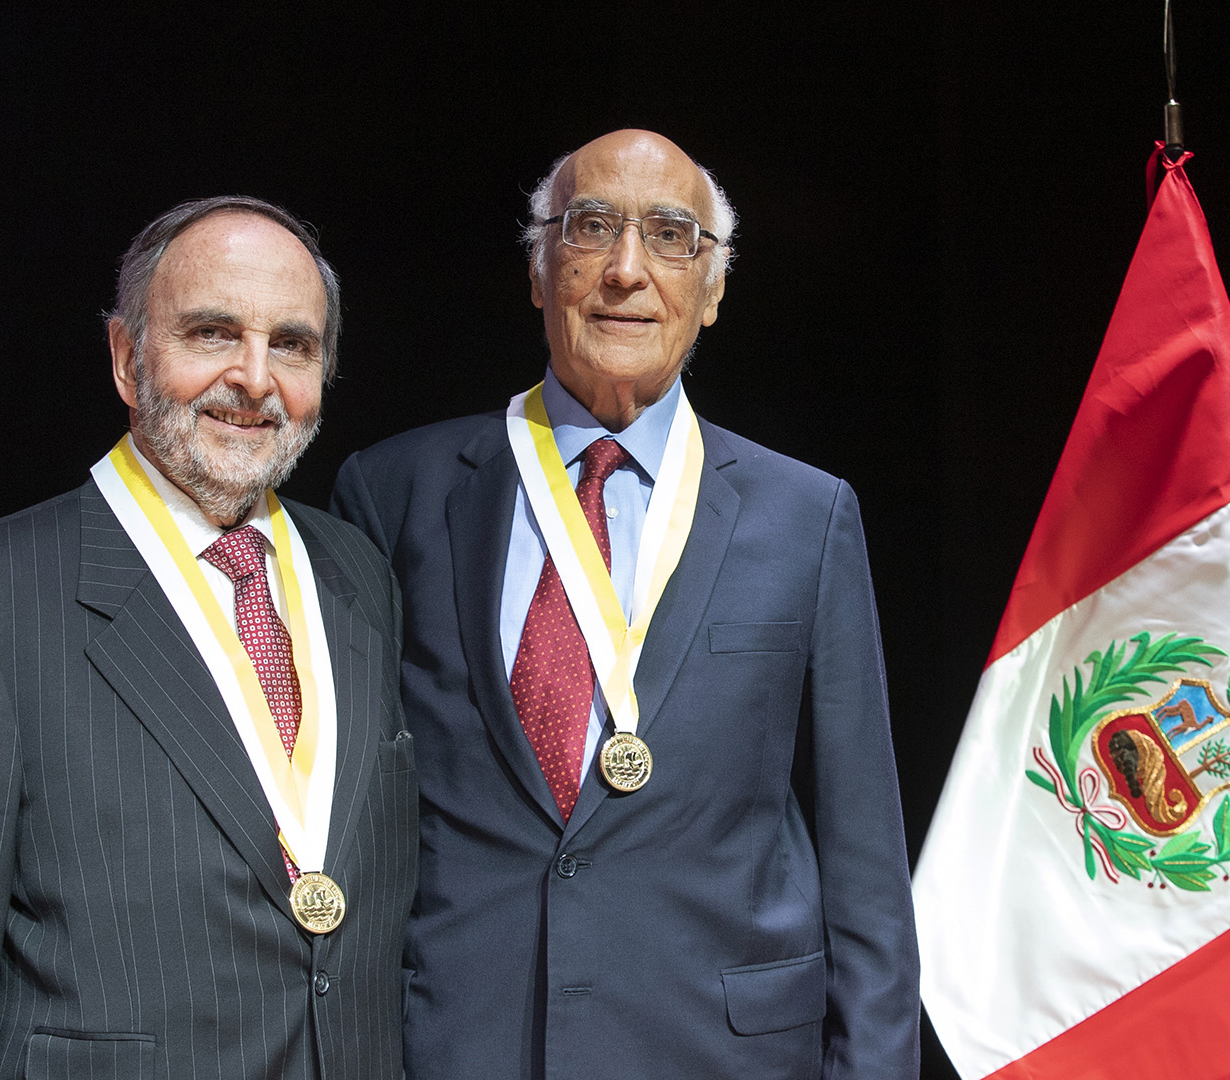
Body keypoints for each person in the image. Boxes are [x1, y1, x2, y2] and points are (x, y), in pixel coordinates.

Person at [331, 131, 919, 1078]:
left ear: (714, 289)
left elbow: (866, 864)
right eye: (591, 228)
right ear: (539, 270)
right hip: (462, 1043)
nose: (626, 270)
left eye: (671, 236)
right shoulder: (394, 491)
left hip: (721, 1051)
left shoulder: (807, 517)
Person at [0, 197, 417, 1080]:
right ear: (126, 358)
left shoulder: (359, 576)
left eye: (293, 346)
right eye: (211, 334)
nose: (255, 378)